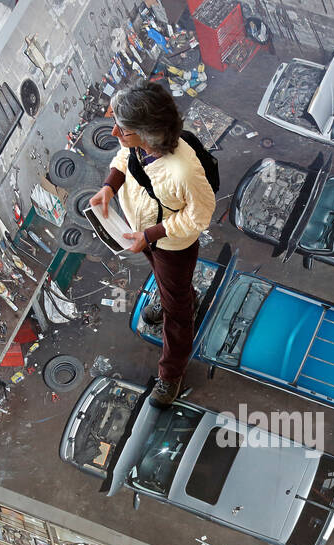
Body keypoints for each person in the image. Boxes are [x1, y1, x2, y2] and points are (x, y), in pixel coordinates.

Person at [89, 82, 216, 408]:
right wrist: (109, 187)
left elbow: (200, 215)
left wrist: (151, 235)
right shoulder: (137, 144)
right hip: (142, 235)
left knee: (177, 314)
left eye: (125, 129)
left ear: (149, 134)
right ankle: (181, 293)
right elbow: (123, 155)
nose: (115, 131)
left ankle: (171, 374)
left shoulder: (184, 170)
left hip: (172, 245)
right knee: (167, 283)